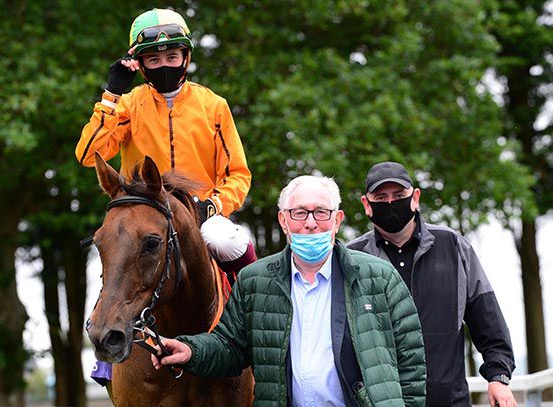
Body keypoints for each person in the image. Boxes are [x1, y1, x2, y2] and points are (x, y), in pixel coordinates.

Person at [150, 175, 426, 406]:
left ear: (337, 220)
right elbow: (230, 347)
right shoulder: (255, 282)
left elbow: (411, 363)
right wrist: (191, 350)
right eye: (299, 213)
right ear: (283, 220)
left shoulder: (380, 277)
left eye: (321, 212)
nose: (310, 222)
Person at [75, 8, 255, 283]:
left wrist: (212, 205)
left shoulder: (214, 106)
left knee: (227, 241)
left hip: (200, 213)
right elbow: (88, 154)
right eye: (154, 59)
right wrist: (111, 94)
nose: (164, 65)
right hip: (144, 212)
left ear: (186, 57)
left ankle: (252, 301)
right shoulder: (127, 105)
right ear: (140, 64)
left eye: (172, 57)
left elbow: (238, 175)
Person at [347, 161, 517, 407]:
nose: (391, 203)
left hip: (448, 400)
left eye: (399, 195)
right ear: (366, 204)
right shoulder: (352, 259)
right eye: (381, 197)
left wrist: (498, 376)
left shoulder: (453, 246)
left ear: (415, 197)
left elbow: (487, 318)